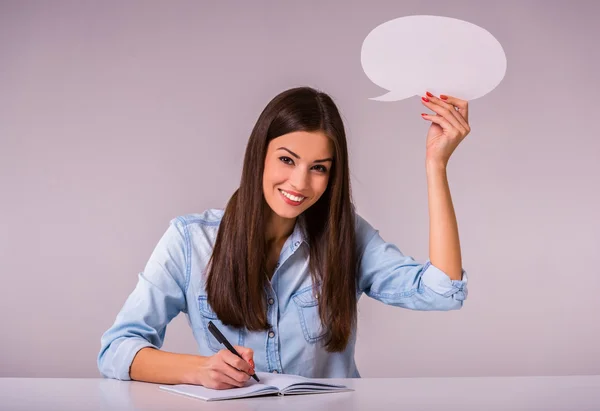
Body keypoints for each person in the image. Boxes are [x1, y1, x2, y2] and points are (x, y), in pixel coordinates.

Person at [98, 86, 471, 389]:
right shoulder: (189, 242)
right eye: (287, 160)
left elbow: (442, 291)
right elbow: (117, 349)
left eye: (319, 168)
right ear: (259, 153)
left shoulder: (345, 237)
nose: (299, 183)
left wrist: (435, 165)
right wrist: (198, 370)